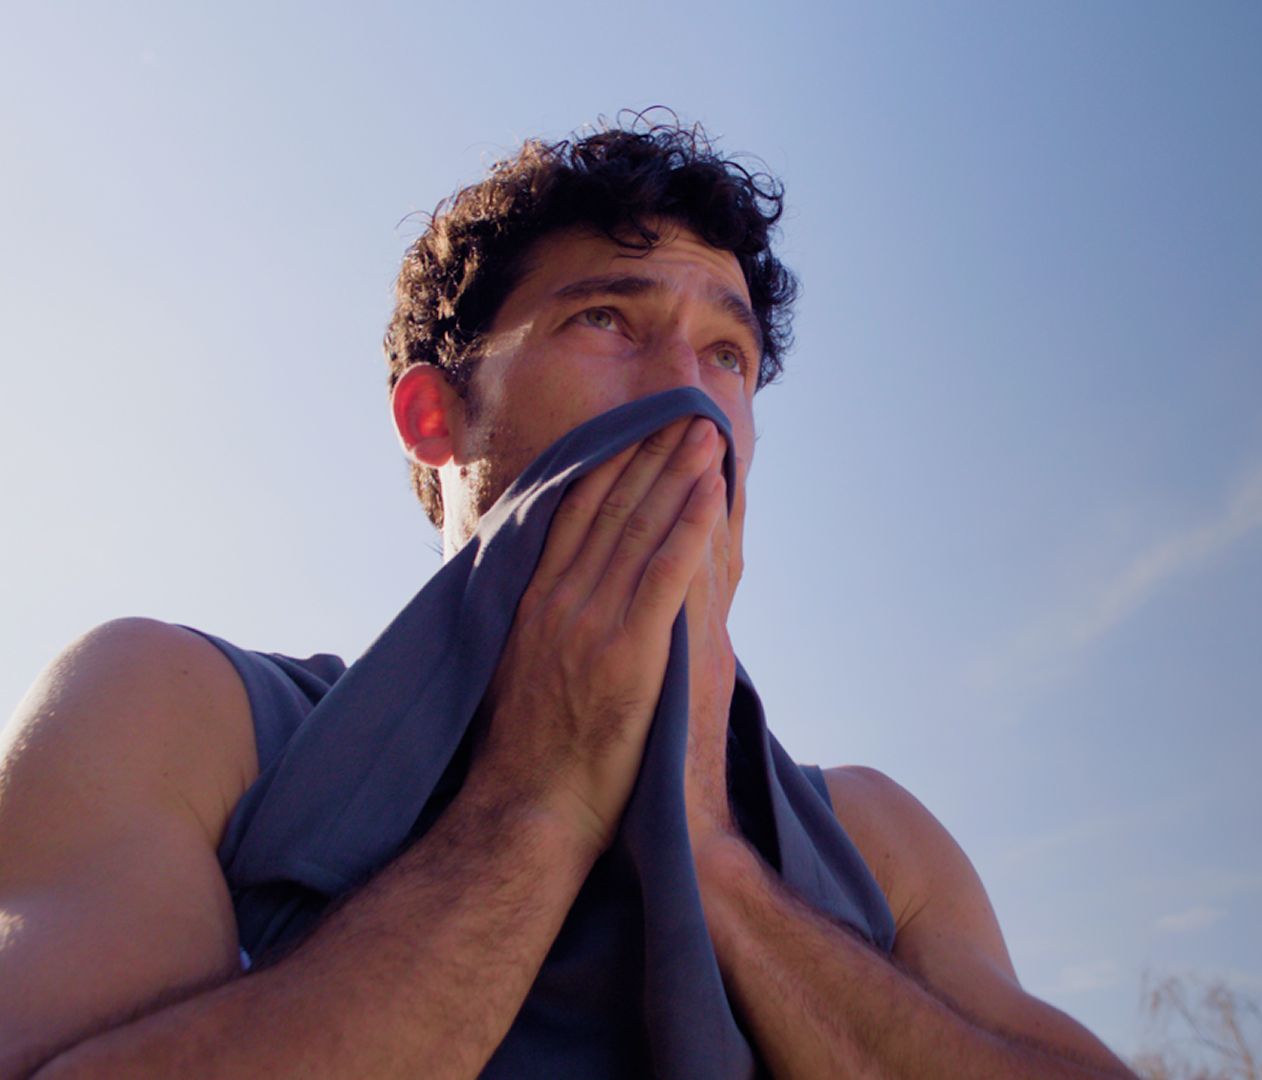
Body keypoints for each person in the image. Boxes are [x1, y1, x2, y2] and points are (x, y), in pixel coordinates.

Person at [0, 116, 1134, 1078]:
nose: (687, 396)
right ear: (434, 416)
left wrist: (717, 862)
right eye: (609, 322)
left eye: (728, 354)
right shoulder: (183, 716)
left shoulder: (876, 841)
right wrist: (529, 812)